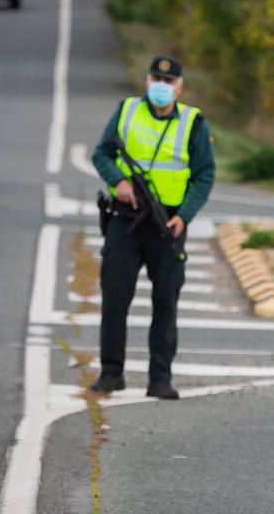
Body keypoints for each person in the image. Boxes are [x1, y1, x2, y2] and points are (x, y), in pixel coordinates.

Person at [90, 55, 216, 399]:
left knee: (166, 302)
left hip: (168, 225)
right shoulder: (128, 110)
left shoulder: (193, 122)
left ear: (180, 87)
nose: (161, 86)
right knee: (115, 299)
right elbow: (101, 153)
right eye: (155, 79)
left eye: (169, 82)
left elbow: (205, 175)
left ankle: (160, 378)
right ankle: (111, 373)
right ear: (147, 81)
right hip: (125, 220)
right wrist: (119, 181)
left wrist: (184, 216)